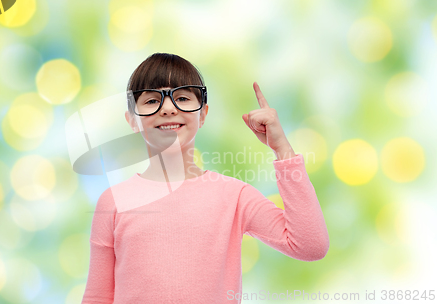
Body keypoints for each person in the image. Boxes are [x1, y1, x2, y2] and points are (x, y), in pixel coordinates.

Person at [81, 53, 329, 303]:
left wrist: (282, 149)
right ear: (132, 120)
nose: (168, 108)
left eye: (182, 98)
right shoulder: (113, 201)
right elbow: (98, 296)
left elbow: (310, 246)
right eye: (152, 100)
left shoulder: (234, 196)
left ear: (203, 114)